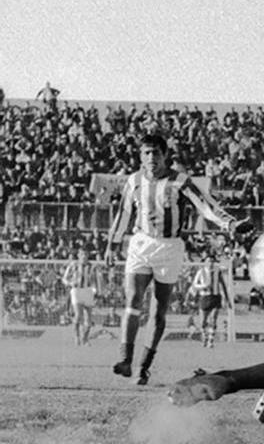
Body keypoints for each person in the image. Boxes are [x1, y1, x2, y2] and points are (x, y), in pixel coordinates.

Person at [105, 134, 251, 385]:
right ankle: (125, 359)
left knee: (158, 309)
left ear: (164, 155)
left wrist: (229, 223)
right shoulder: (134, 181)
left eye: (156, 153)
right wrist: (112, 244)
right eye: (147, 153)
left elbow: (206, 206)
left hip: (170, 247)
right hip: (141, 243)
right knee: (132, 300)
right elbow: (124, 213)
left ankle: (143, 367)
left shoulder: (180, 181)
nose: (151, 158)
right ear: (140, 156)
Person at [188, 256, 231, 348]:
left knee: (213, 319)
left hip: (216, 297)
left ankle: (211, 340)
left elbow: (223, 285)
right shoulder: (201, 272)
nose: (211, 263)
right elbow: (194, 284)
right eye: (209, 261)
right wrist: (203, 286)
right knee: (203, 321)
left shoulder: (217, 271)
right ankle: (205, 336)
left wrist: (227, 299)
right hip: (204, 297)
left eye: (212, 261)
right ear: (205, 262)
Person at [61, 248, 100, 346]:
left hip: (88, 291)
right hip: (76, 291)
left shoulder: (92, 267)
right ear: (78, 255)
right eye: (82, 254)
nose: (84, 256)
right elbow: (64, 279)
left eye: (86, 254)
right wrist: (70, 283)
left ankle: (85, 339)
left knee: (89, 319)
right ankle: (77, 336)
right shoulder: (73, 265)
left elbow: (96, 280)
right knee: (78, 315)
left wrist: (96, 292)